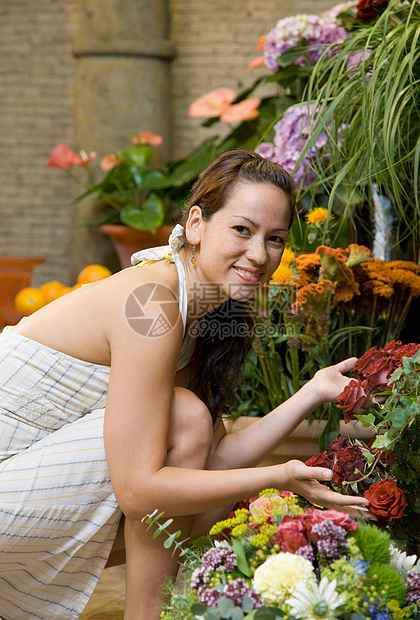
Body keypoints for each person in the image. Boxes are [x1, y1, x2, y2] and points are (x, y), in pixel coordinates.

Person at [0, 150, 371, 620]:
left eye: (274, 239)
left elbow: (210, 461)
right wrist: (280, 475)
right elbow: (139, 492)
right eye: (242, 229)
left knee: (202, 482)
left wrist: (313, 390)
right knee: (183, 423)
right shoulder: (152, 300)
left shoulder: (202, 315)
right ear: (196, 224)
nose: (259, 254)